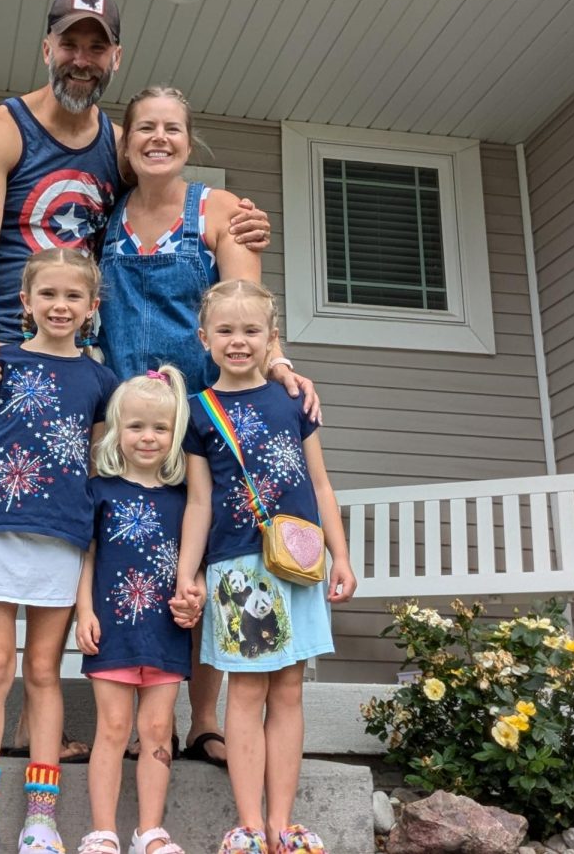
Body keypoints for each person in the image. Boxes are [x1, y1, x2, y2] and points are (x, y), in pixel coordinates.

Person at [0, 0, 272, 764]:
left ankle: (29, 711)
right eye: (69, 42)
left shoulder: (115, 143)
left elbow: (164, 184)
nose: (82, 57)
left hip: (83, 365)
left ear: (114, 57)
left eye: (96, 45)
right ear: (47, 47)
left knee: (61, 520)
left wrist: (237, 215)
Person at [96, 87, 321, 767]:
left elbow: (242, 305)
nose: (158, 138)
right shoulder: (106, 218)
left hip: (205, 417)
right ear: (127, 143)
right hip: (131, 418)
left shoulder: (218, 211)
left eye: (172, 129)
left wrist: (279, 364)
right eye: (145, 129)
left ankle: (200, 716)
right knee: (140, 563)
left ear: (189, 143)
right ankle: (141, 711)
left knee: (203, 560)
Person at [0, 249, 118, 854]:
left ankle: (41, 818)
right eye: (48, 294)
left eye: (74, 296)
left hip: (62, 534)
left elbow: (94, 459)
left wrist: (91, 532)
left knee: (44, 671)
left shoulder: (100, 379)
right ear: (26, 301)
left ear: (93, 307)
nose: (60, 306)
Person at [172, 280, 357, 854]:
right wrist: (189, 571)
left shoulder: (293, 400)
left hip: (299, 565)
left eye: (251, 331)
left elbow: (320, 484)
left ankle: (283, 822)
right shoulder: (200, 413)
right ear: (204, 339)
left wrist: (341, 554)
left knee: (290, 691)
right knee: (246, 695)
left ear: (272, 338)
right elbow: (199, 501)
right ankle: (248, 823)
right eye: (225, 331)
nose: (238, 341)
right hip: (237, 569)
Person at [75, 365, 191, 854]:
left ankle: (150, 831)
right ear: (117, 429)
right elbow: (87, 556)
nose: (148, 437)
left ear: (175, 434)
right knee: (114, 729)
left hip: (166, 631)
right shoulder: (99, 491)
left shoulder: (185, 500)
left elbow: (195, 559)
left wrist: (195, 592)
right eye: (137, 426)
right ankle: (103, 831)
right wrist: (84, 611)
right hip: (113, 629)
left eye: (160, 428)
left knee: (158, 729)